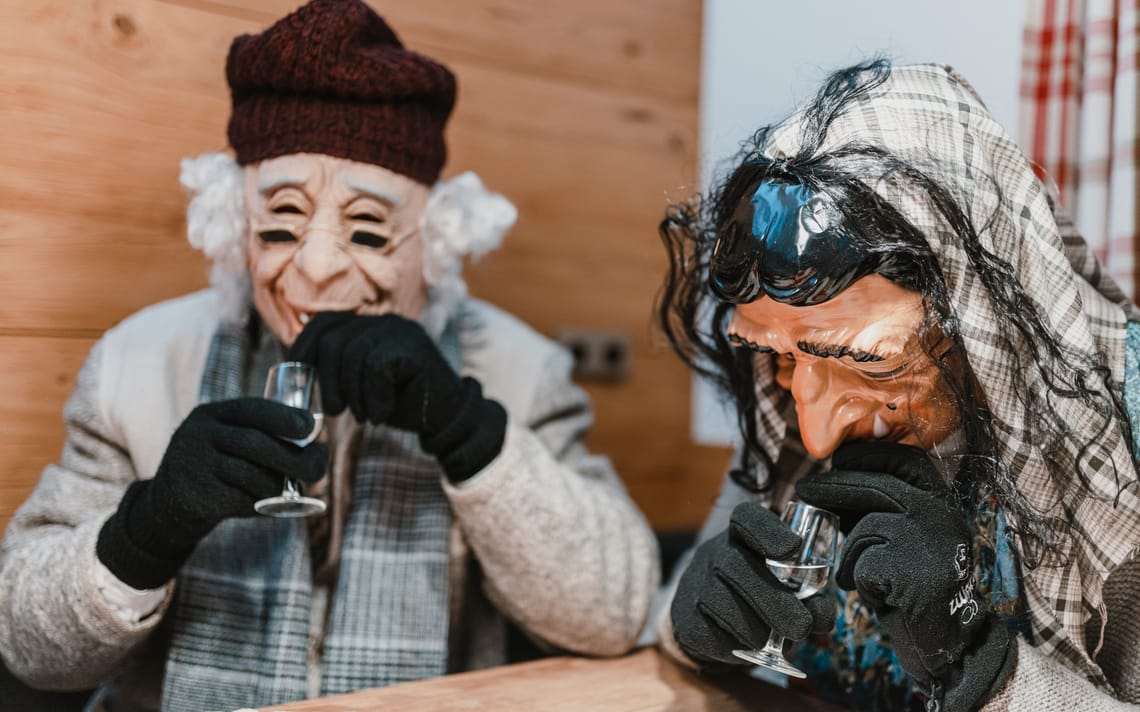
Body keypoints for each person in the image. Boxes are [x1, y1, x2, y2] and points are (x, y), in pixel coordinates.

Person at [0, 1, 659, 710]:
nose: (314, 271)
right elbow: (28, 647)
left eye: (370, 234)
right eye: (279, 226)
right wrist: (148, 526)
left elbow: (615, 614)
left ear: (433, 242)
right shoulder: (139, 363)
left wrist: (469, 430)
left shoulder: (520, 371)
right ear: (235, 226)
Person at [654, 59, 1140, 711]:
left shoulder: (1121, 441)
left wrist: (987, 670)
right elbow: (714, 626)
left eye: (870, 362)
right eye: (783, 358)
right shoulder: (788, 412)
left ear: (979, 321)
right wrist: (693, 623)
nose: (815, 428)